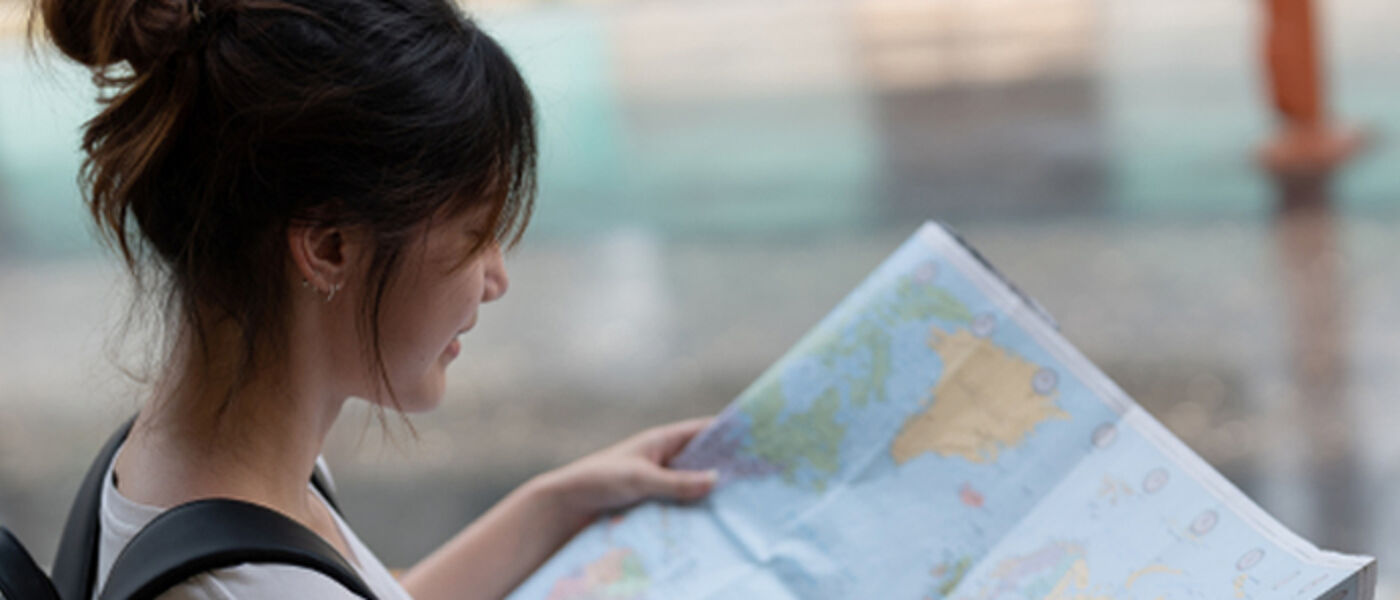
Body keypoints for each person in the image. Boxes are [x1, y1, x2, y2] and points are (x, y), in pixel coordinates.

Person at [30, 0, 718, 598]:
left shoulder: (182, 463)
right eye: (476, 234)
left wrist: (557, 505)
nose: (496, 278)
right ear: (329, 247)